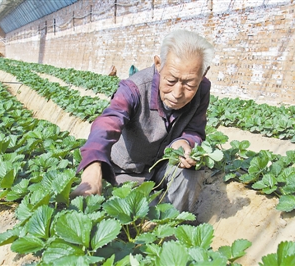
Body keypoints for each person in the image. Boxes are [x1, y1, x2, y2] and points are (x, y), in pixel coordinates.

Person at [71, 29, 215, 213]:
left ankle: (169, 227)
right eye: (171, 80)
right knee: (123, 212)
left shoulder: (202, 89)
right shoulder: (134, 88)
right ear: (158, 64)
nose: (178, 93)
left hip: (164, 166)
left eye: (189, 84)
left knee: (191, 175)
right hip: (126, 172)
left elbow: (195, 130)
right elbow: (107, 123)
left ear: (203, 74)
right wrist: (92, 167)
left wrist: (185, 141)